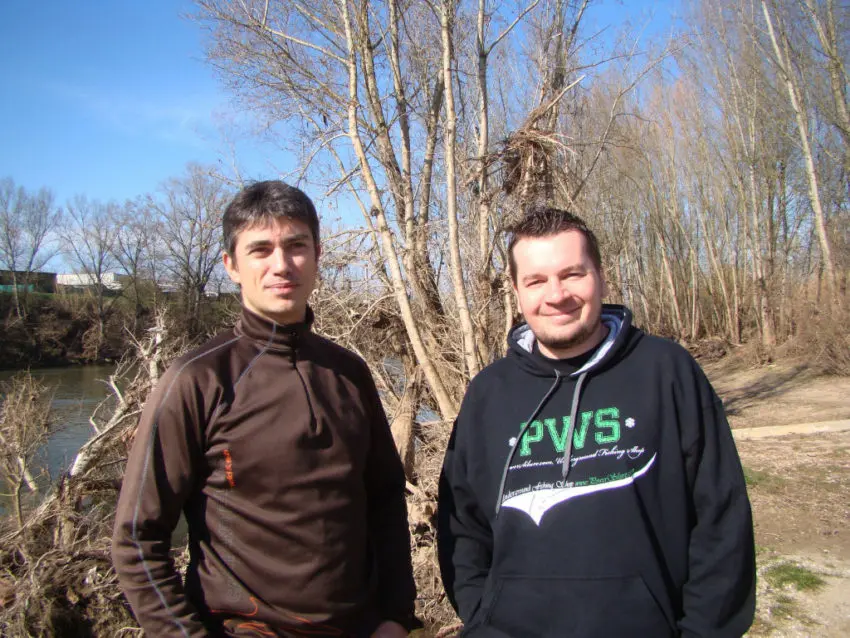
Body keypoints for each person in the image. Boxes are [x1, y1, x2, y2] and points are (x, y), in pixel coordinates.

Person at [113, 181, 419, 638]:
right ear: (231, 266)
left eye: (296, 245)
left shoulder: (349, 372)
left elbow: (386, 499)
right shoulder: (198, 380)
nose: (282, 265)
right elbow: (138, 537)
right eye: (261, 249)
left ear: (317, 255)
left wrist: (395, 616)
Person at [437, 205, 755, 637]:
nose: (556, 294)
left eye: (572, 274)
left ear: (601, 276)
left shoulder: (666, 371)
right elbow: (462, 526)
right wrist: (482, 618)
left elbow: (722, 521)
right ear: (516, 291)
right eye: (536, 280)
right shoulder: (487, 394)